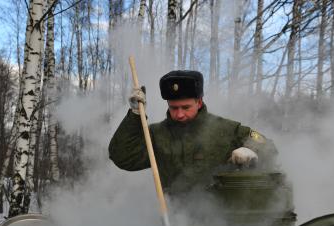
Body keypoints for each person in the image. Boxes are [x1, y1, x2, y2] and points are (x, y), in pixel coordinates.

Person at [109, 70, 277, 194]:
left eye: (186, 107)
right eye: (173, 108)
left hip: (221, 221)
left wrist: (252, 151)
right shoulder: (156, 135)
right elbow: (123, 157)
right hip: (176, 221)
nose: (179, 114)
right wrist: (135, 115)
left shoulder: (226, 130)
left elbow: (269, 148)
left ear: (199, 101)